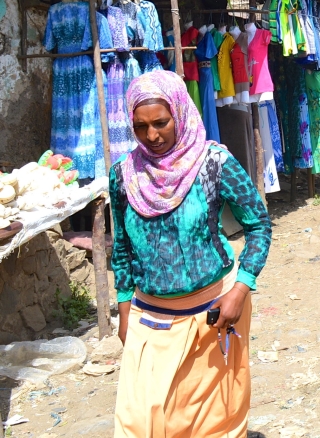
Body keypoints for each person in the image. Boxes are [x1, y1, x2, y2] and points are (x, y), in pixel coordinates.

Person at [110, 70, 271, 437]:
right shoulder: (123, 175)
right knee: (140, 422)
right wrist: (123, 309)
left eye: (161, 123)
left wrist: (240, 288)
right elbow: (121, 247)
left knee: (211, 422)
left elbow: (259, 226)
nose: (152, 135)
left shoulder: (213, 164)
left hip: (213, 317)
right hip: (149, 318)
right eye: (140, 126)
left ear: (179, 113)